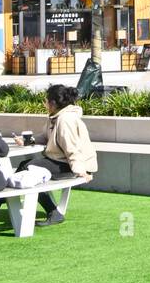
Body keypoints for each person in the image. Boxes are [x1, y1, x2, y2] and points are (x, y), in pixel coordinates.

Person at [16, 84, 97, 226]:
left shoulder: (65, 120)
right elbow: (47, 136)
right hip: (61, 160)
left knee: (28, 170)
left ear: (53, 103)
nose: (44, 103)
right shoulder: (56, 116)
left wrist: (81, 171)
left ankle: (54, 213)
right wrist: (28, 141)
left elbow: (72, 147)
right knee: (26, 167)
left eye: (46, 100)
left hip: (70, 164)